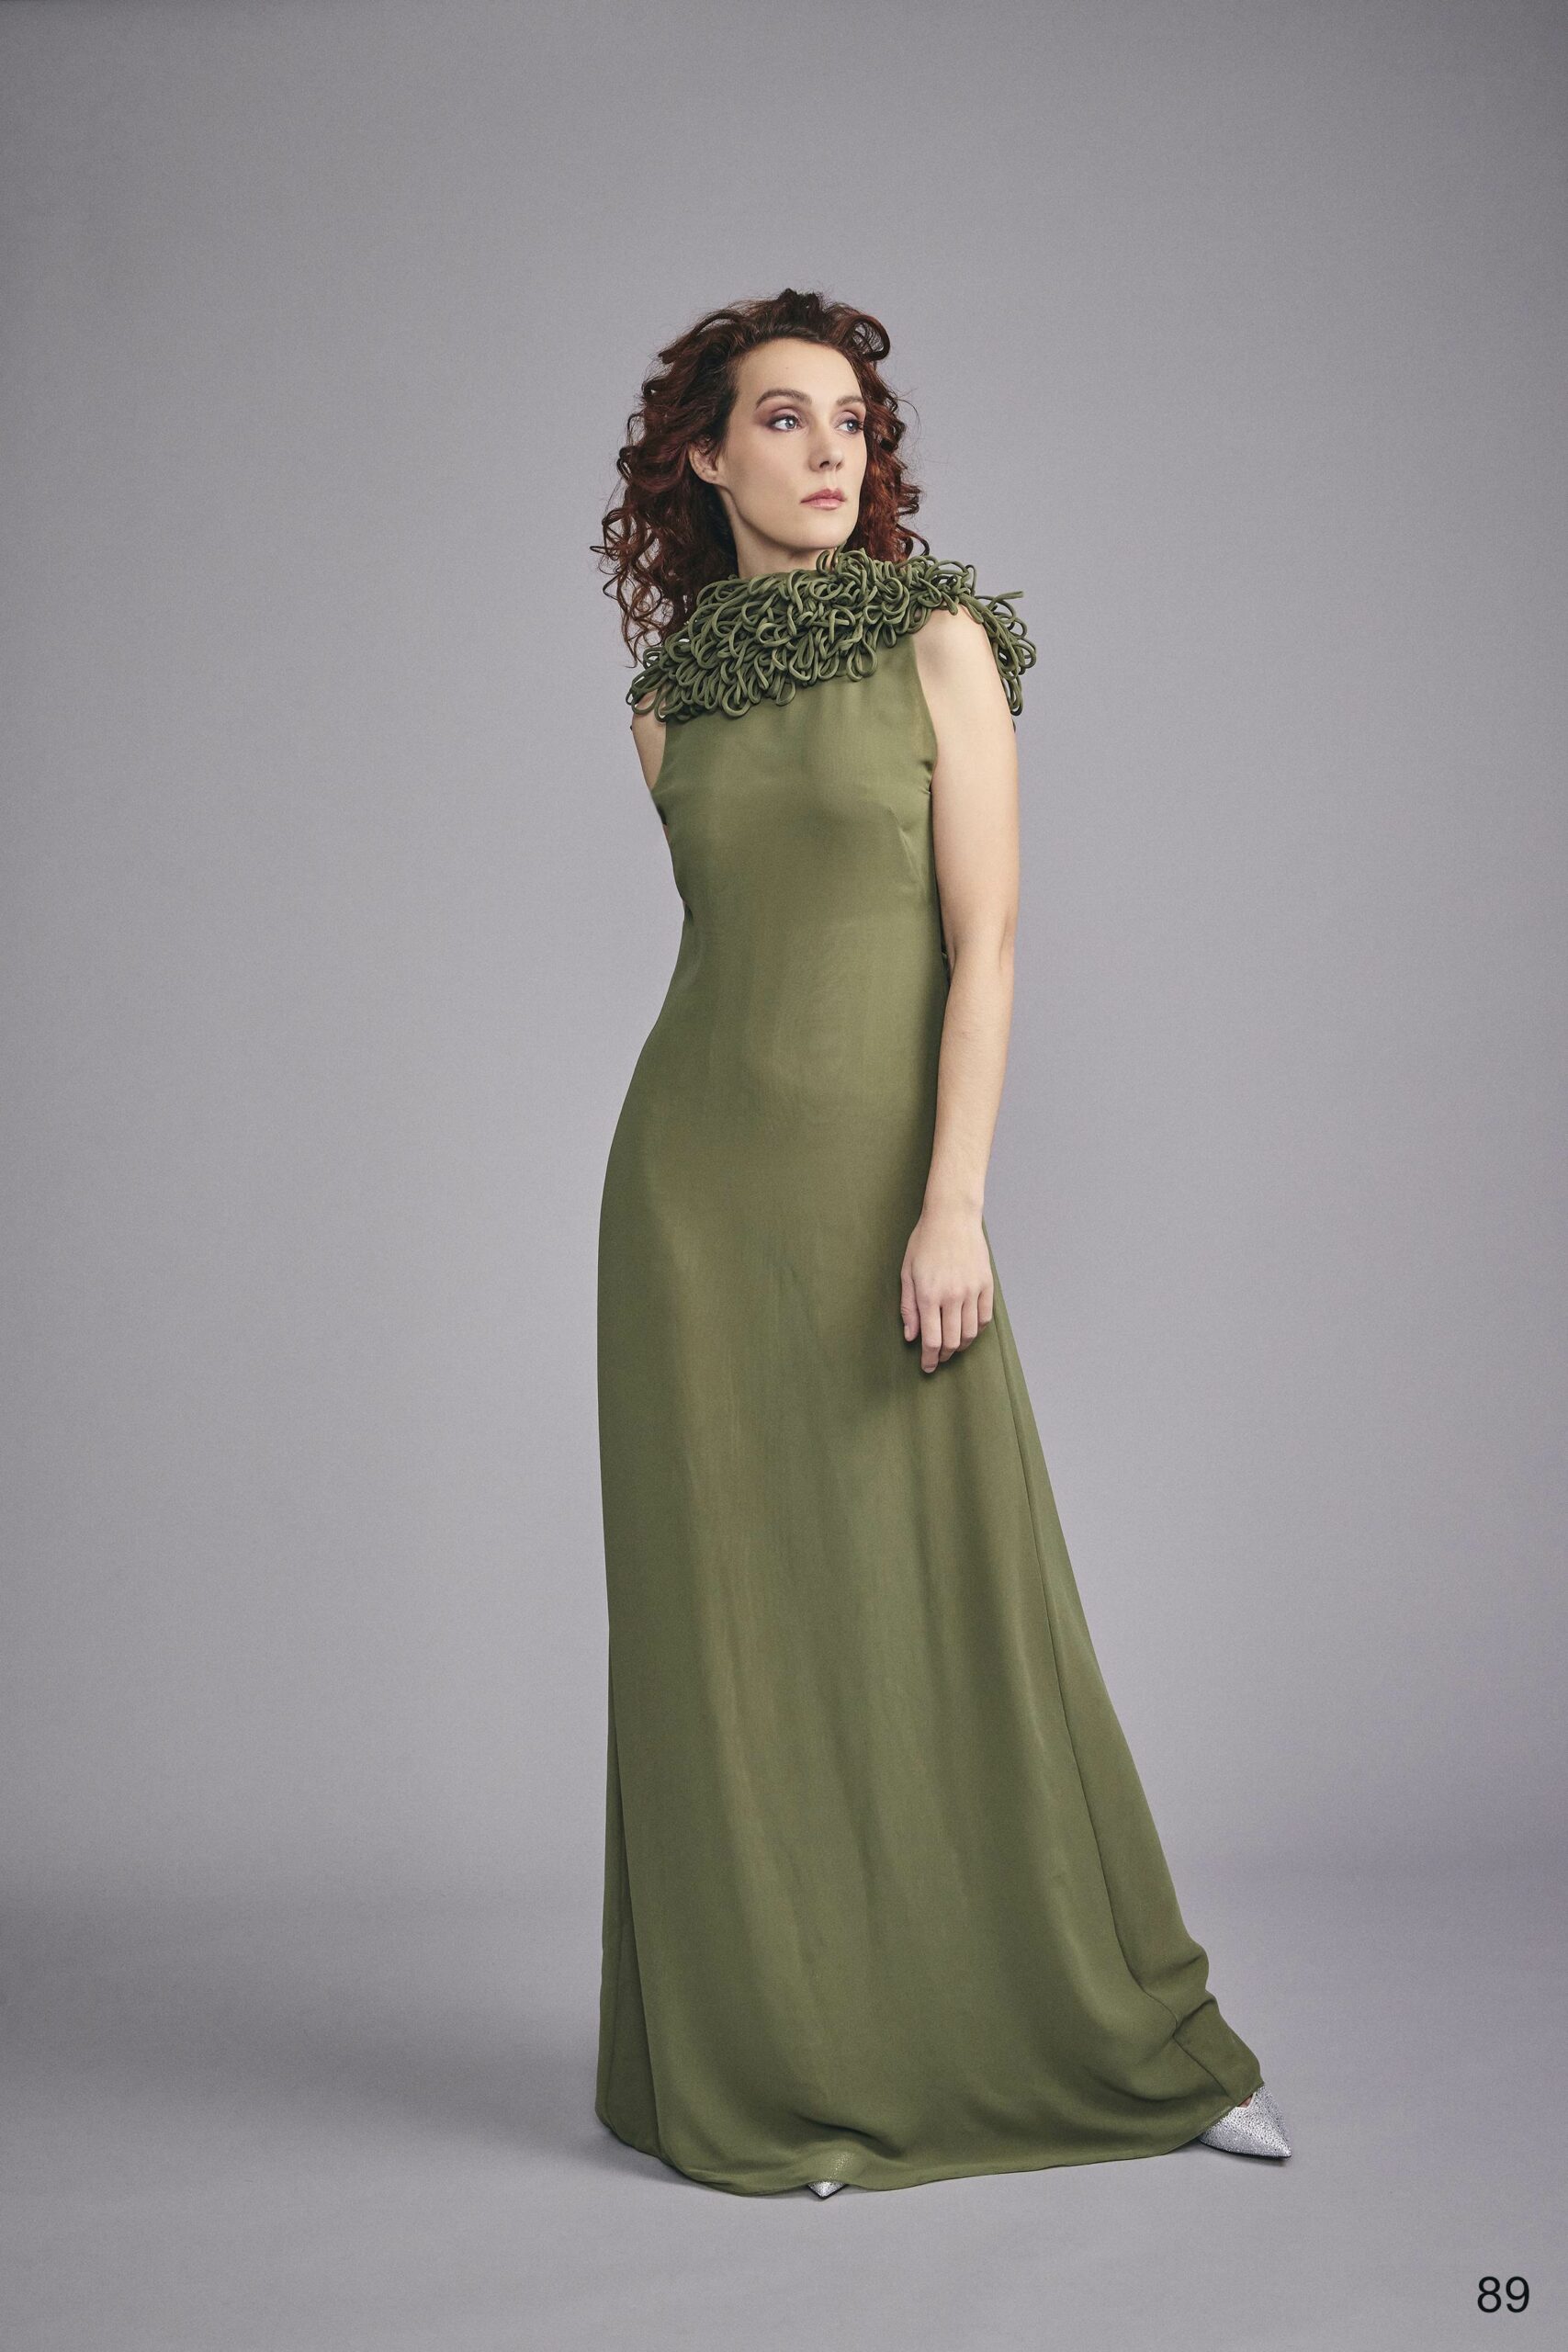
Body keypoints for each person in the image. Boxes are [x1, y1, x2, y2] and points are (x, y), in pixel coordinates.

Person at [589, 288, 1292, 2196]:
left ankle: (1111, 2033)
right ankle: (781, 2068)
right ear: (703, 456)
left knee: (954, 1604)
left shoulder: (937, 638)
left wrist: (951, 1199)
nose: (829, 450)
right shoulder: (663, 705)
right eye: (783, 418)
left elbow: (982, 944)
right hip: (687, 1205)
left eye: (851, 422)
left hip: (883, 1193)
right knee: (733, 1633)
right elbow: (728, 957)